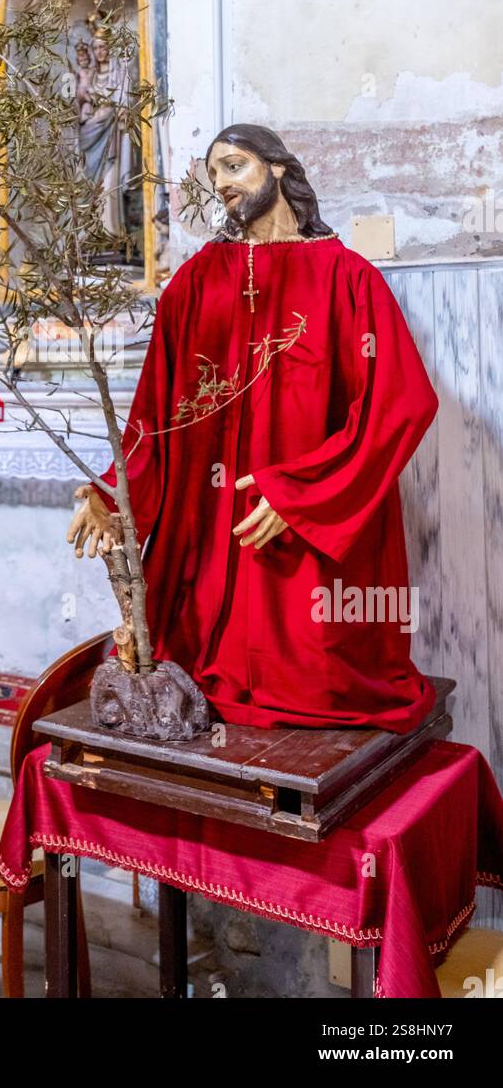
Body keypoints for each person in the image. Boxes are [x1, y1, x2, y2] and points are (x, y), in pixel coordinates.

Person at [67, 124, 439, 734]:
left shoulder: (349, 279)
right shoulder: (194, 282)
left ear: (279, 169)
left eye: (234, 166)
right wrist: (112, 493)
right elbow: (154, 414)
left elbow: (397, 406)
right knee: (181, 667)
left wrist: (304, 494)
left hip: (301, 541)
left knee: (313, 676)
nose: (221, 183)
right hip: (208, 530)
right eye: (213, 173)